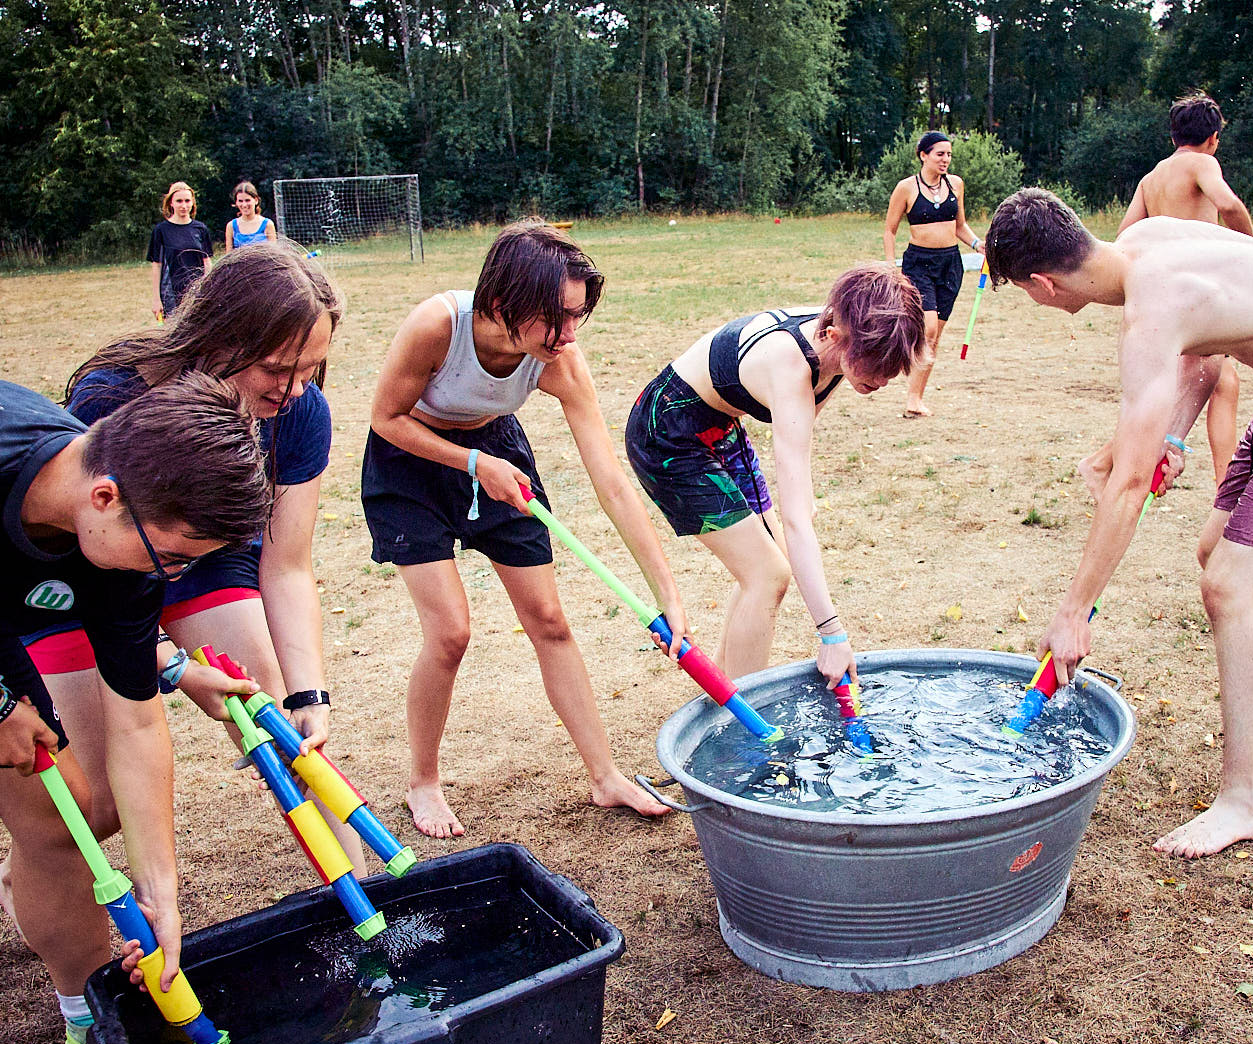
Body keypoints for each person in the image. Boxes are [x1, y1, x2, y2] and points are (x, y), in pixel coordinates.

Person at [986, 189, 1253, 859]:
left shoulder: (1150, 313)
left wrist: (1074, 613)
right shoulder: (1144, 244)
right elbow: (1206, 360)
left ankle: (1244, 801)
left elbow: (1126, 486)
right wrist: (1173, 439)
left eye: (1028, 294)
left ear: (1044, 284)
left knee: (1230, 585)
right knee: (1220, 553)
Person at [0, 371, 269, 1044]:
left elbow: (137, 724)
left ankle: (82, 1018)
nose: (173, 577)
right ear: (104, 496)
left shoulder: (125, 556)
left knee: (59, 822)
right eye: (173, 557)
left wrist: (162, 893)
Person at [14, 242, 366, 893]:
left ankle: (370, 894)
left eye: (311, 370)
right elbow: (74, 537)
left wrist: (307, 696)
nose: (293, 390)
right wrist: (171, 665)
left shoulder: (300, 414)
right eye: (276, 368)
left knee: (280, 728)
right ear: (222, 337)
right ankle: (22, 877)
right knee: (98, 803)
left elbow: (286, 565)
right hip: (95, 573)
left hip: (206, 559)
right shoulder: (111, 397)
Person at [364, 219, 688, 838]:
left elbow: (611, 482)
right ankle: (423, 782)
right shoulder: (438, 325)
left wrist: (666, 594)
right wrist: (471, 464)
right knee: (451, 632)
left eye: (578, 317)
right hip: (411, 464)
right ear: (502, 302)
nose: (569, 334)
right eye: (557, 317)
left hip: (496, 456)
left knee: (549, 620)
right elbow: (385, 419)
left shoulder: (559, 360)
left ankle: (604, 777)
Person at [626, 264, 924, 688]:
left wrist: (802, 502)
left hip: (720, 426)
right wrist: (832, 633)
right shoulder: (790, 363)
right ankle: (743, 727)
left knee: (772, 565)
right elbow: (795, 517)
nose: (885, 379)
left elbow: (799, 447)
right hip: (667, 431)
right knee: (768, 575)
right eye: (878, 366)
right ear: (837, 336)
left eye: (894, 367)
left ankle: (725, 693)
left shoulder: (840, 339)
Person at [1117, 92, 1253, 487]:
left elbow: (1126, 233)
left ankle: (1223, 479)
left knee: (1224, 381)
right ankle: (1161, 453)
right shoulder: (1202, 163)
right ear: (1213, 137)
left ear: (1173, 135)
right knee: (1202, 375)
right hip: (1198, 286)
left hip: (1165, 287)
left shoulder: (1151, 177)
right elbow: (1228, 204)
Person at [882, 131, 984, 417]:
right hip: (918, 264)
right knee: (926, 328)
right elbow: (890, 230)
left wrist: (978, 244)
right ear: (923, 155)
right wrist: (892, 267)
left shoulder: (956, 184)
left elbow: (960, 225)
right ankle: (902, 360)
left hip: (950, 264)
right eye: (940, 154)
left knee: (935, 335)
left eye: (949, 154)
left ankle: (915, 400)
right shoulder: (906, 188)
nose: (946, 159)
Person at [147, 181, 212, 320]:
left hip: (197, 292)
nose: (184, 205)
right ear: (171, 203)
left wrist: (209, 290)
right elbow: (157, 266)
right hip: (170, 294)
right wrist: (156, 299)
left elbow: (207, 263)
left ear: (193, 202)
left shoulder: (201, 229)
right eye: (179, 201)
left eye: (187, 201)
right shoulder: (161, 231)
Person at [223, 180, 277, 250]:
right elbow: (229, 256)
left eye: (247, 200)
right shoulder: (231, 226)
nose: (244, 205)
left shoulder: (268, 224)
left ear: (256, 200)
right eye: (240, 201)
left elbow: (274, 254)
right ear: (236, 202)